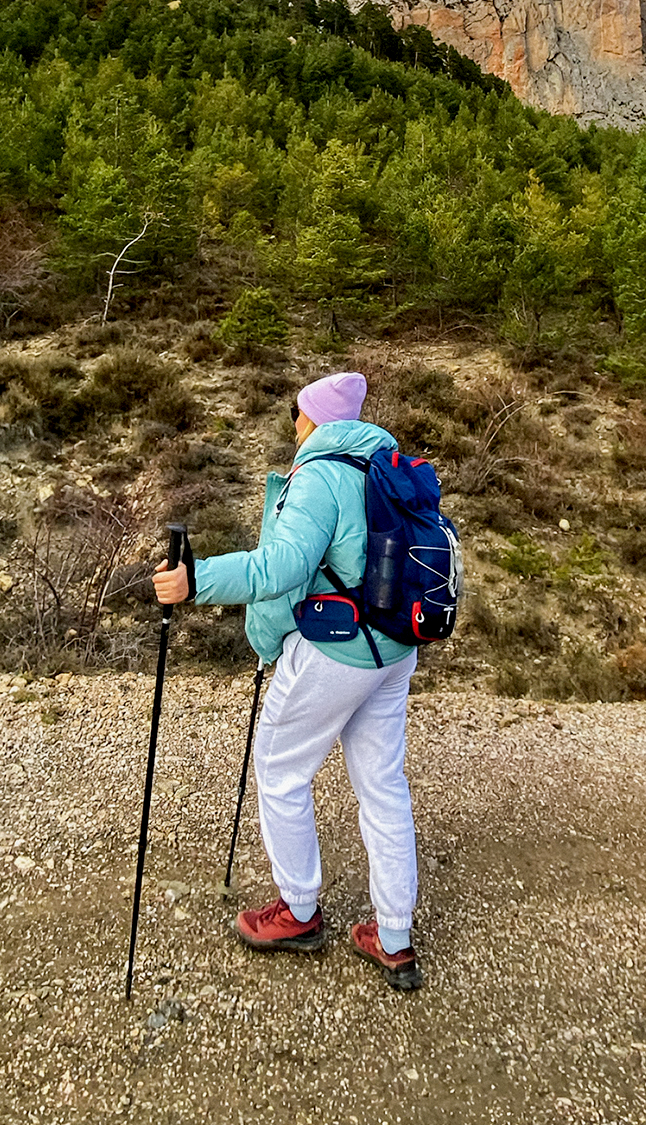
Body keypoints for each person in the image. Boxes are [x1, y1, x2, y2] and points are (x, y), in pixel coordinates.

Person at [152, 370, 423, 990]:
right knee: (382, 784)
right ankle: (394, 935)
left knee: (278, 768)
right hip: (396, 647)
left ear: (313, 421)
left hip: (337, 648)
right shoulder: (385, 467)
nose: (293, 426)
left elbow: (283, 567)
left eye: (297, 415)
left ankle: (299, 911)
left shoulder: (323, 472)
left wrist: (197, 580)